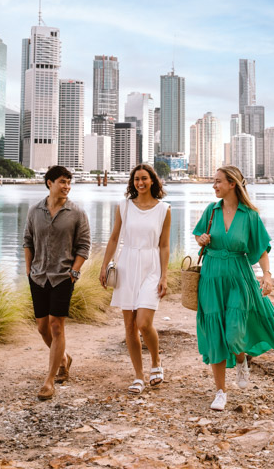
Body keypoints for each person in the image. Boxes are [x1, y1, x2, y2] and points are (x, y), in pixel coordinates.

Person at [193, 165, 274, 411]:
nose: (214, 186)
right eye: (214, 181)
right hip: (212, 277)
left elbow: (261, 249)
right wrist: (202, 240)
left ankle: (241, 360)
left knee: (234, 334)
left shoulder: (249, 215)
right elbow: (199, 236)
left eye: (218, 181)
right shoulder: (211, 210)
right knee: (216, 334)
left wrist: (267, 275)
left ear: (232, 184)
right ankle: (220, 392)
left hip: (239, 277)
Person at [100, 163, 171, 394]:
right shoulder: (124, 206)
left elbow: (164, 245)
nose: (140, 183)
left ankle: (156, 362)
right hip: (127, 264)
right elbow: (113, 239)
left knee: (143, 322)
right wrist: (104, 266)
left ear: (152, 181)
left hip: (151, 266)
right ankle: (139, 376)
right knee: (129, 326)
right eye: (136, 179)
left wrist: (164, 276)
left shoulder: (164, 209)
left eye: (144, 178)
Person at [23, 165, 91, 400]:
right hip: (38, 276)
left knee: (56, 326)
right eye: (62, 181)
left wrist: (74, 271)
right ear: (49, 183)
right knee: (42, 328)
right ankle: (63, 358)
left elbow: (84, 246)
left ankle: (50, 380)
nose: (67, 186)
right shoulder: (34, 211)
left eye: (69, 182)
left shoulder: (77, 213)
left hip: (63, 276)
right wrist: (28, 270)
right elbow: (28, 241)